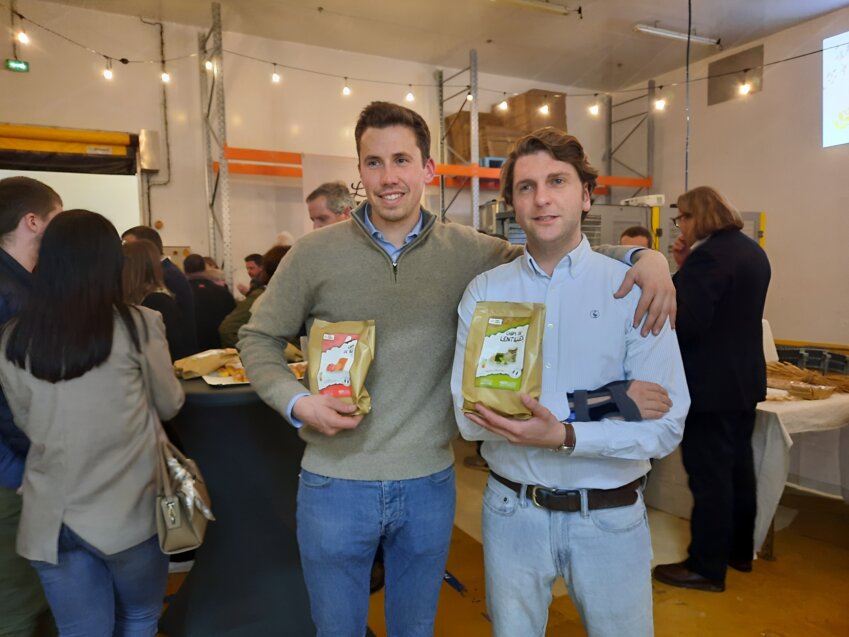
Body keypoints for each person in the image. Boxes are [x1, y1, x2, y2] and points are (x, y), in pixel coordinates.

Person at [238, 101, 677, 636]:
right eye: (373, 163)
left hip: (427, 481)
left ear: (427, 169)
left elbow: (553, 241)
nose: (388, 176)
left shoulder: (470, 254)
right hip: (335, 482)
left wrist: (642, 258)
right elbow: (256, 337)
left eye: (402, 160)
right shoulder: (312, 255)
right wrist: (296, 400)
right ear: (359, 172)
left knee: (414, 629)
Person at [450, 128, 689, 637]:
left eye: (557, 181)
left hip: (609, 517)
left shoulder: (632, 289)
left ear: (585, 194)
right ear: (512, 202)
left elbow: (666, 423)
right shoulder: (486, 293)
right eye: (526, 187)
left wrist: (565, 431)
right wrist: (606, 402)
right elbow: (472, 416)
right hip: (512, 512)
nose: (542, 199)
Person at [0, 210, 184, 635]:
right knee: (138, 617)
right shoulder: (140, 324)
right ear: (111, 263)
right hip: (130, 508)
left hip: (51, 516)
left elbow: (26, 422)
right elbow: (170, 403)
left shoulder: (11, 337)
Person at [653, 186, 771, 593]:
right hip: (743, 381)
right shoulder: (750, 251)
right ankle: (738, 552)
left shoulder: (710, 255)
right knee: (739, 471)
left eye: (681, 217)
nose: (679, 225)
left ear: (696, 216)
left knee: (710, 478)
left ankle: (705, 567)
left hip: (710, 386)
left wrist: (681, 272)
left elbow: (689, 321)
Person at [0, 176, 61, 637]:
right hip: (11, 469)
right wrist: (31, 457)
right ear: (33, 220)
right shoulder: (11, 293)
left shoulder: (24, 285)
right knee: (19, 600)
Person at [122, 225, 198, 355]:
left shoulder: (166, 276)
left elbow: (171, 330)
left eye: (128, 245)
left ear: (145, 248)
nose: (124, 251)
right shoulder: (167, 272)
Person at [219, 245, 289, 349]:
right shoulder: (263, 296)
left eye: (251, 268)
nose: (249, 272)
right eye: (248, 268)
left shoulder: (281, 296)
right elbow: (228, 329)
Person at [183, 253, 236, 351]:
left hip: (191, 348)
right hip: (218, 346)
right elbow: (232, 318)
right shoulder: (222, 291)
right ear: (205, 268)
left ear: (185, 270)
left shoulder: (180, 293)